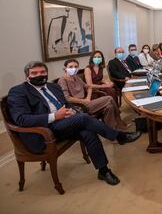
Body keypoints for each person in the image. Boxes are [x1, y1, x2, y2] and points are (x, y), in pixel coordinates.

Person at [7, 61, 141, 185]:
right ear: (27, 76)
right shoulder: (18, 91)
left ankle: (103, 170)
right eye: (34, 73)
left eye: (42, 72)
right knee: (84, 118)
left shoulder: (52, 86)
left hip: (64, 123)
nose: (39, 75)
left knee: (88, 132)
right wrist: (54, 116)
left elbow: (66, 104)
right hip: (44, 131)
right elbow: (21, 119)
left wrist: (71, 111)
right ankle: (119, 136)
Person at [58, 59, 128, 131]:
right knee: (109, 98)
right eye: (71, 67)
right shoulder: (62, 80)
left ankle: (112, 130)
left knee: (109, 107)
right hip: (78, 107)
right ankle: (119, 121)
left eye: (76, 67)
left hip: (87, 102)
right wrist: (83, 101)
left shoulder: (76, 78)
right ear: (65, 68)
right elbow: (67, 98)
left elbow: (88, 87)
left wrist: (87, 98)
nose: (74, 69)